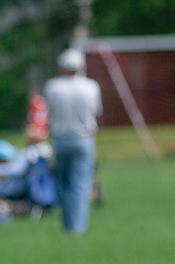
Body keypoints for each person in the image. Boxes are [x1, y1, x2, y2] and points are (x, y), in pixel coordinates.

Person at [44, 48, 102, 233]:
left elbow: (49, 112)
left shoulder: (52, 86)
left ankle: (68, 224)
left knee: (64, 184)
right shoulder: (90, 86)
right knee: (80, 183)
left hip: (60, 139)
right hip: (83, 139)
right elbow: (96, 111)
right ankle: (76, 227)